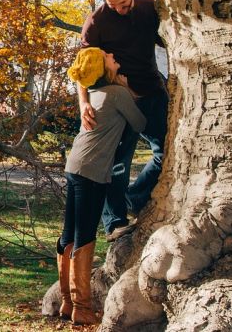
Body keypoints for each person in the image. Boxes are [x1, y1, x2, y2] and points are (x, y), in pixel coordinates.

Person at [56, 47, 146, 324]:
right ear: (102, 66)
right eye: (107, 56)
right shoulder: (116, 94)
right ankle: (82, 308)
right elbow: (140, 123)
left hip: (75, 165)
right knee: (84, 236)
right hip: (92, 170)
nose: (113, 55)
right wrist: (128, 89)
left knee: (69, 233)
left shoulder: (94, 94)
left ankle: (67, 303)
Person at [78, 0, 167, 239]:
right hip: (117, 98)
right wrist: (84, 104)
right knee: (115, 164)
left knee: (165, 154)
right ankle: (115, 221)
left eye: (123, 4)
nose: (118, 9)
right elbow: (82, 69)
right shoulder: (96, 22)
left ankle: (134, 198)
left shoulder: (150, 8)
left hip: (151, 92)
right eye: (111, 4)